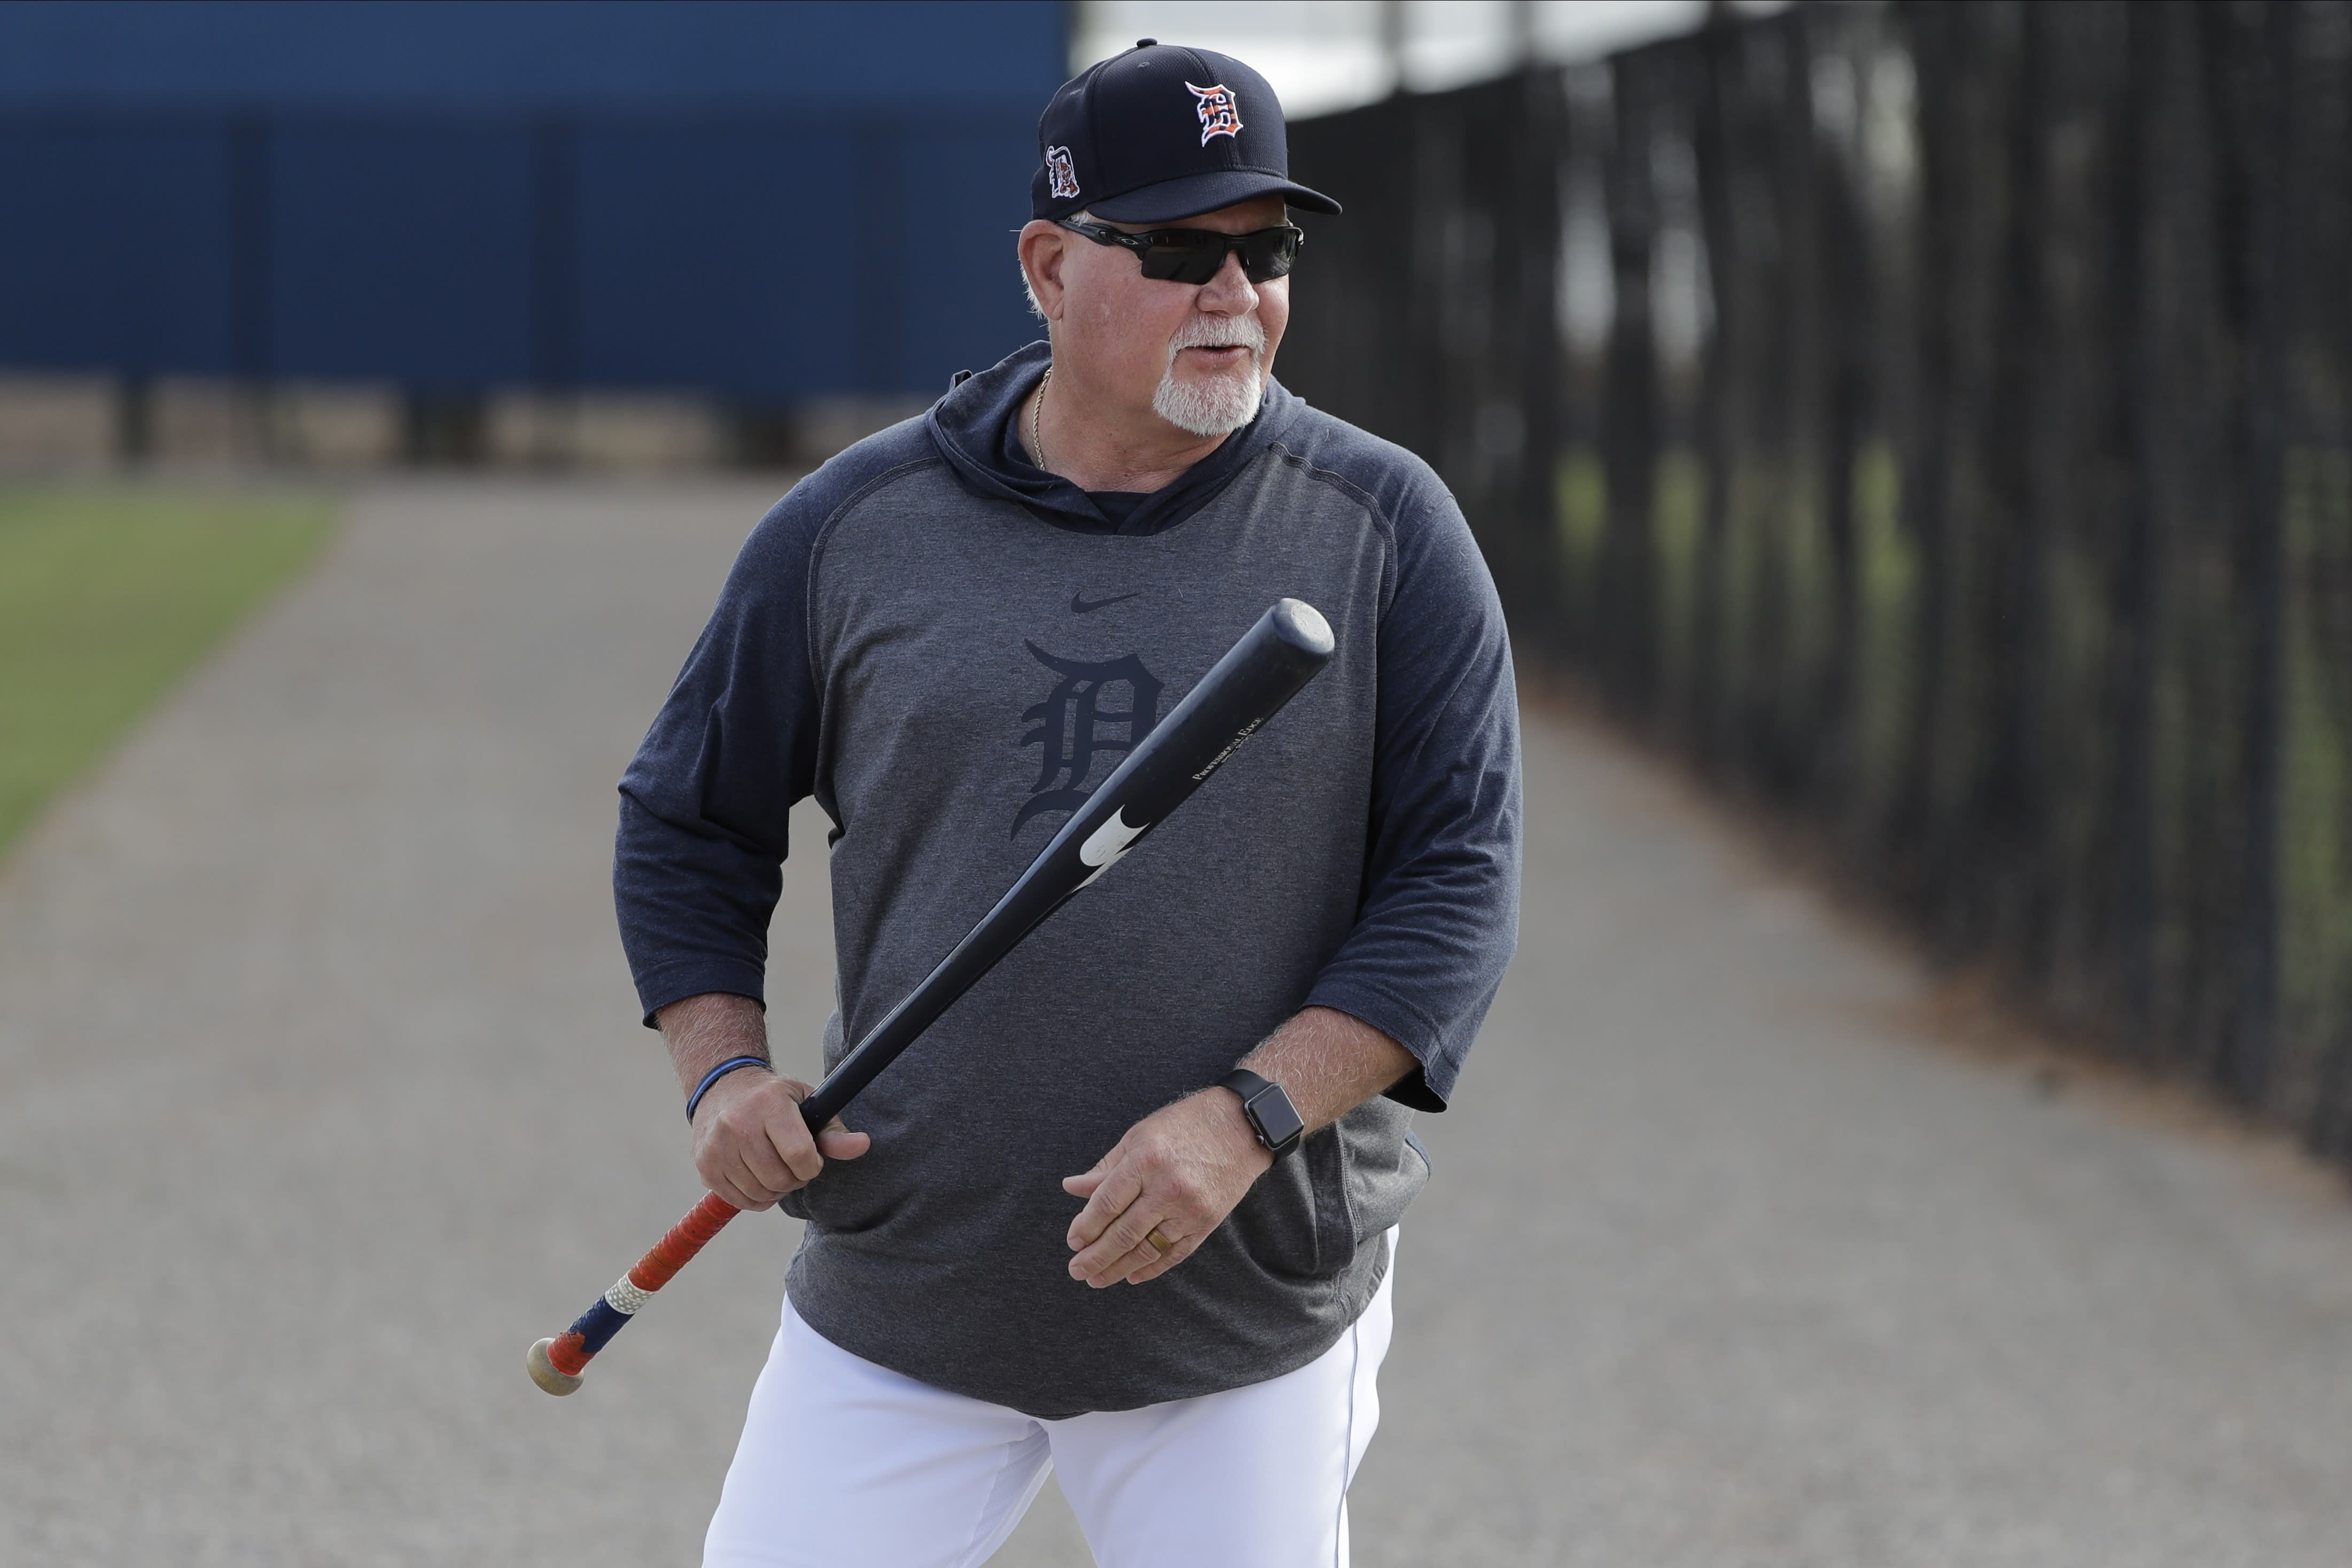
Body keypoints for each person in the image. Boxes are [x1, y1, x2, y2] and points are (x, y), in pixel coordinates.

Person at [614, 40, 1520, 1568]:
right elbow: (688, 819)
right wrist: (724, 1074)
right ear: (1046, 264)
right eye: (1177, 250)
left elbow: (1454, 886)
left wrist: (1247, 1120)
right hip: (908, 1282)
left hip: (1236, 1315)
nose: (1232, 291)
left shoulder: (1385, 530)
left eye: (1265, 249)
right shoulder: (851, 530)